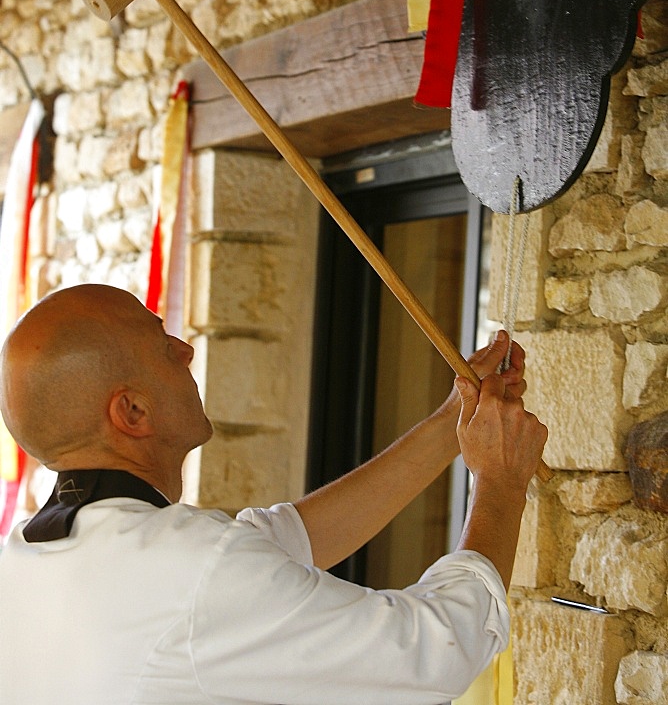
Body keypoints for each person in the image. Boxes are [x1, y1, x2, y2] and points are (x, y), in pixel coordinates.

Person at [0, 283, 547, 704]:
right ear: (132, 412)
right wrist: (500, 481)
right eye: (163, 346)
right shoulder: (195, 569)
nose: (186, 349)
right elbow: (438, 651)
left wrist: (452, 423)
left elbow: (289, 539)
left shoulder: (26, 562)